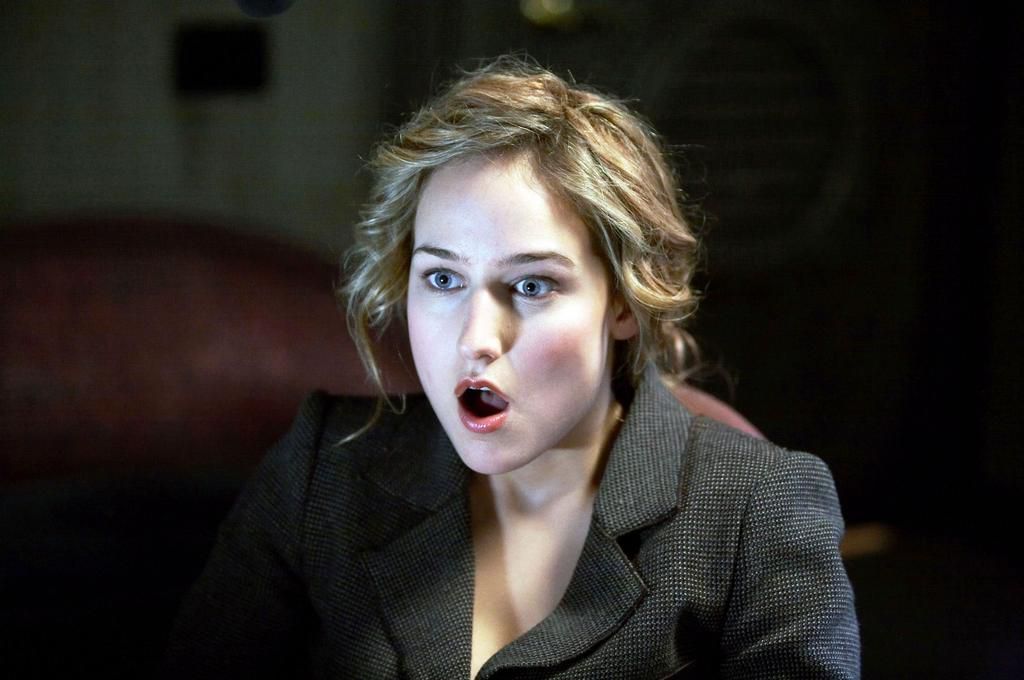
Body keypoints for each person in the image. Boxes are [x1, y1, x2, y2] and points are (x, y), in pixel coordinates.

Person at [161, 57, 860, 678]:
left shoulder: (758, 510)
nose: (476, 338)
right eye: (442, 279)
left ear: (623, 300)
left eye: (531, 285)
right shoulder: (325, 471)